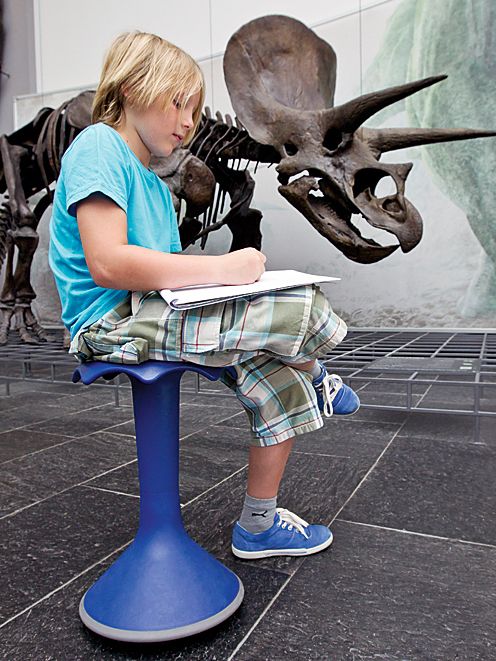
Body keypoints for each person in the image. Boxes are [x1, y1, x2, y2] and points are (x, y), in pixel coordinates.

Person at [49, 31, 360, 560]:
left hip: (149, 311)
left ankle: (258, 526)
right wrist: (222, 268)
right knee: (304, 307)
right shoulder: (98, 146)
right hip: (109, 324)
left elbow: (170, 280)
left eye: (194, 109)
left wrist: (224, 279)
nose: (189, 122)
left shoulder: (151, 182)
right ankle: (319, 372)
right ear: (131, 89)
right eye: (178, 103)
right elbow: (108, 264)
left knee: (280, 385)